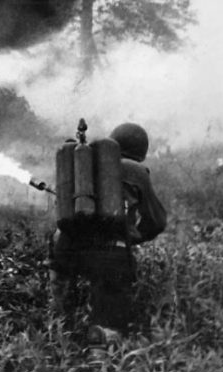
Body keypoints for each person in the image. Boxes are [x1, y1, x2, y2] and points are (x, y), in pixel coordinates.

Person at [48, 122, 167, 344]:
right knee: (108, 329)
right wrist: (133, 236)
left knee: (59, 316)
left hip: (67, 248)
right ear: (140, 151)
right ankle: (99, 352)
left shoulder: (79, 162)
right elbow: (157, 221)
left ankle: (58, 334)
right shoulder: (137, 171)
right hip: (111, 255)